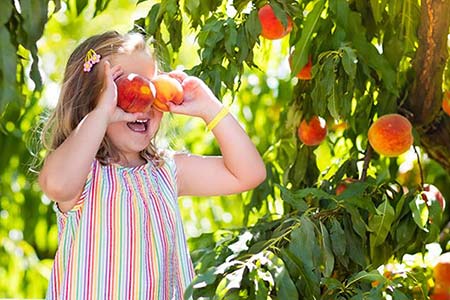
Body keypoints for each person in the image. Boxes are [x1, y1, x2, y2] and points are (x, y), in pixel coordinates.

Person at [38, 30, 266, 300]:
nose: (143, 101)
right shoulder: (85, 174)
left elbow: (249, 174)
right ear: (93, 102)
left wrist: (209, 108)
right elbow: (56, 184)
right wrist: (103, 113)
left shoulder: (166, 171)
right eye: (126, 89)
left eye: (152, 89)